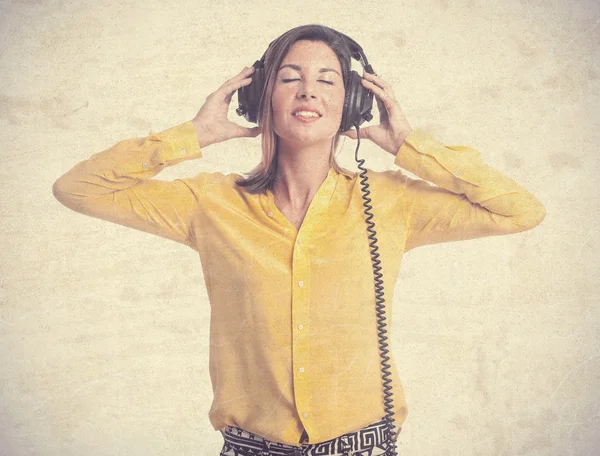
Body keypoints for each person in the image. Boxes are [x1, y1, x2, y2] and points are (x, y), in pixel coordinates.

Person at [52, 24, 546, 456]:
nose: (308, 91)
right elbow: (76, 189)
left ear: (351, 103)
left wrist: (412, 147)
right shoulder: (209, 203)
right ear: (260, 100)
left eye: (327, 81)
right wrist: (193, 136)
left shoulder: (392, 202)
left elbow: (521, 210)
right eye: (290, 78)